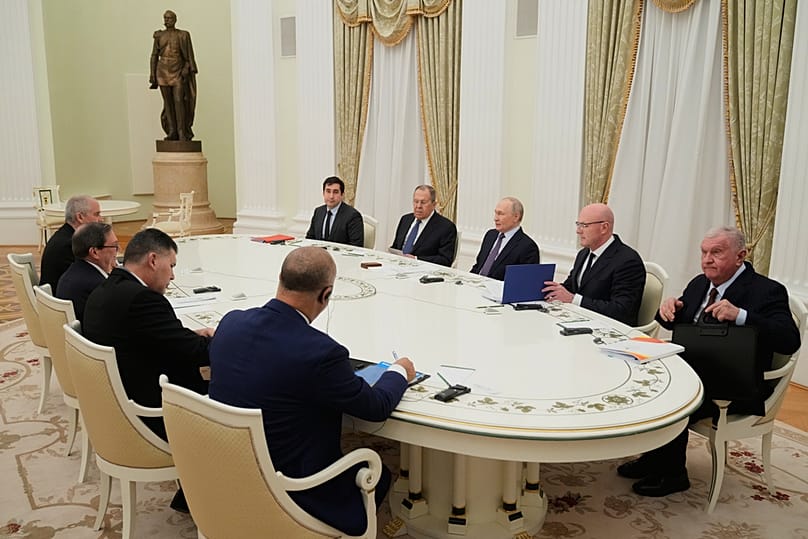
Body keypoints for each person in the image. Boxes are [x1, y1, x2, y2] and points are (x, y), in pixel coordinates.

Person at [208, 246, 415, 535]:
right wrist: (399, 371)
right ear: (326, 294)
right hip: (292, 490)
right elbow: (376, 406)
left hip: (222, 473)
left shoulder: (231, 323)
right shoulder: (321, 353)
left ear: (280, 279)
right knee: (377, 472)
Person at [617, 226, 800, 497]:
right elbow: (687, 324)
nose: (707, 259)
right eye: (704, 252)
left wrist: (741, 315)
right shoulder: (699, 283)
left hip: (737, 381)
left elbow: (789, 340)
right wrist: (668, 311)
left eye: (716, 252)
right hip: (698, 366)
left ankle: (674, 474)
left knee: (672, 395)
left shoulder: (767, 290)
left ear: (740, 256)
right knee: (646, 380)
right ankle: (655, 458)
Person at [83, 228, 213, 440]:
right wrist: (225, 338)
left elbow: (147, 337)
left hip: (114, 407)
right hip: (150, 416)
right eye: (171, 266)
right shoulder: (142, 300)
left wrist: (187, 335)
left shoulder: (105, 288)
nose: (172, 276)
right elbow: (195, 353)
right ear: (153, 260)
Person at [542, 203, 645, 326]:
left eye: (584, 225)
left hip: (609, 331)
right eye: (578, 224)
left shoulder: (627, 260)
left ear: (604, 228)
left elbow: (621, 310)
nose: (578, 231)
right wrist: (549, 290)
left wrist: (574, 299)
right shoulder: (583, 254)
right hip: (577, 321)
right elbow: (570, 288)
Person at [55, 222, 118, 323]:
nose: (117, 251)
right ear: (94, 252)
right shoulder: (98, 286)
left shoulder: (72, 272)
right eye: (114, 246)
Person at [149, 10, 197, 141]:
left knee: (179, 101)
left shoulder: (183, 35)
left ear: (175, 19)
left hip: (177, 71)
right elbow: (154, 55)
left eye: (169, 18)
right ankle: (172, 131)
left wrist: (187, 68)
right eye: (165, 18)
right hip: (162, 71)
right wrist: (152, 73)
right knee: (168, 103)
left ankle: (182, 131)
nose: (166, 20)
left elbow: (189, 57)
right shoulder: (159, 36)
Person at [40, 196, 103, 290]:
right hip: (61, 301)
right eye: (96, 214)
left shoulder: (66, 235)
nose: (101, 219)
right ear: (80, 217)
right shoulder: (69, 245)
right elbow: (87, 278)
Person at [470, 197, 540, 280]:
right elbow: (478, 266)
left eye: (501, 214)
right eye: (495, 213)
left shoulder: (528, 247)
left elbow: (524, 282)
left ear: (516, 217)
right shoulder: (490, 235)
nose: (495, 218)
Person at [390, 185, 457, 267]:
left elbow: (445, 260)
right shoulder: (405, 220)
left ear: (434, 204)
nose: (418, 206)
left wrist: (416, 259)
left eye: (423, 202)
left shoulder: (446, 227)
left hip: (424, 272)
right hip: (397, 268)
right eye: (415, 201)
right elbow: (396, 247)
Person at [305, 176, 364, 247]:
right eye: (328, 191)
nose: (331, 196)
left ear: (342, 195)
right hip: (319, 255)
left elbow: (356, 246)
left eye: (335, 192)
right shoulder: (318, 211)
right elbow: (310, 238)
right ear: (323, 193)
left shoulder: (353, 216)